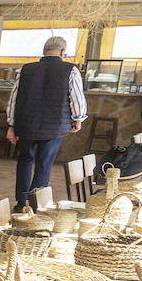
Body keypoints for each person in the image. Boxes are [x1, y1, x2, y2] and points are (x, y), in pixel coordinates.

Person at [5, 36, 86, 207]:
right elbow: (76, 98)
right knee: (44, 163)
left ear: (44, 51)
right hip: (54, 126)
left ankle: (21, 201)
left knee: (25, 160)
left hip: (27, 125)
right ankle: (35, 204)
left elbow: (14, 98)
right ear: (63, 52)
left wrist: (11, 124)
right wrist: (78, 119)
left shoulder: (26, 69)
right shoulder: (70, 70)